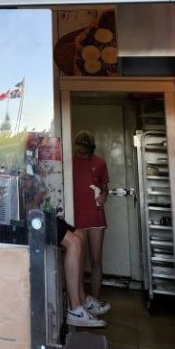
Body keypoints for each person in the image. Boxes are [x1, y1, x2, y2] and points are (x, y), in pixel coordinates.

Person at [21, 167, 105, 327]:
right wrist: (36, 198)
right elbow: (28, 209)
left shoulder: (32, 179)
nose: (28, 182)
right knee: (73, 242)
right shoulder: (13, 186)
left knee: (80, 234)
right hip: (28, 222)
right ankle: (75, 309)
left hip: (40, 215)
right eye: (25, 179)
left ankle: (81, 298)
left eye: (29, 178)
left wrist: (38, 194)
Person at [72, 129, 111, 319]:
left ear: (91, 148)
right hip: (76, 217)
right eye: (79, 148)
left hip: (95, 216)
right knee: (78, 260)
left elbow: (105, 189)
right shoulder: (69, 162)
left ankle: (95, 300)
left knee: (96, 260)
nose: (81, 153)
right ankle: (78, 302)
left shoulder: (100, 163)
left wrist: (104, 196)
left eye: (85, 149)